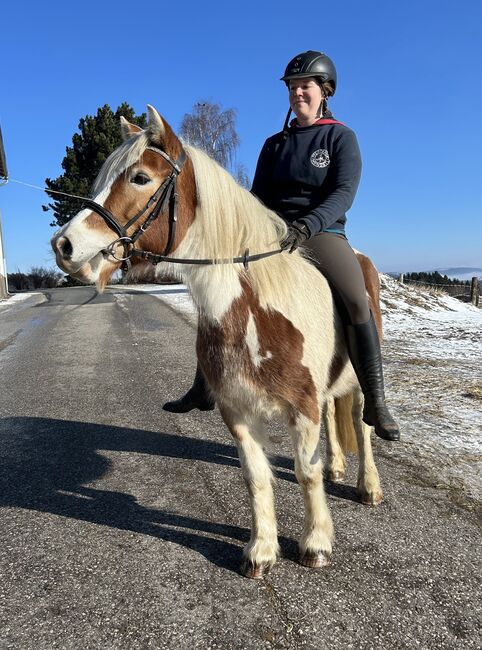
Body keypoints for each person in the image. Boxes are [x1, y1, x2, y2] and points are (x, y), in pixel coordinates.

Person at [163, 50, 400, 442]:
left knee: (358, 300)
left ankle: (376, 400)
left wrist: (309, 225)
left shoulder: (340, 137)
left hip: (321, 232)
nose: (297, 93)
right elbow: (257, 197)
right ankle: (203, 385)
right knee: (218, 287)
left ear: (324, 90)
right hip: (271, 233)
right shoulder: (274, 144)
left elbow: (343, 193)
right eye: (292, 87)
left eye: (304, 86)